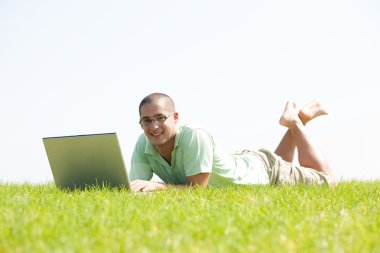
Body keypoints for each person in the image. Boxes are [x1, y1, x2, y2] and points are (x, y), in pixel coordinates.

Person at [130, 92, 336, 192]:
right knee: (279, 161)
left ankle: (297, 122)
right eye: (147, 121)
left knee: (329, 182)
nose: (154, 126)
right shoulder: (143, 143)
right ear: (140, 124)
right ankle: (298, 118)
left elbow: (196, 191)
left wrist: (157, 187)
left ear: (175, 117)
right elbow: (135, 187)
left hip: (266, 172)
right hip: (248, 164)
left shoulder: (194, 135)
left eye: (160, 118)